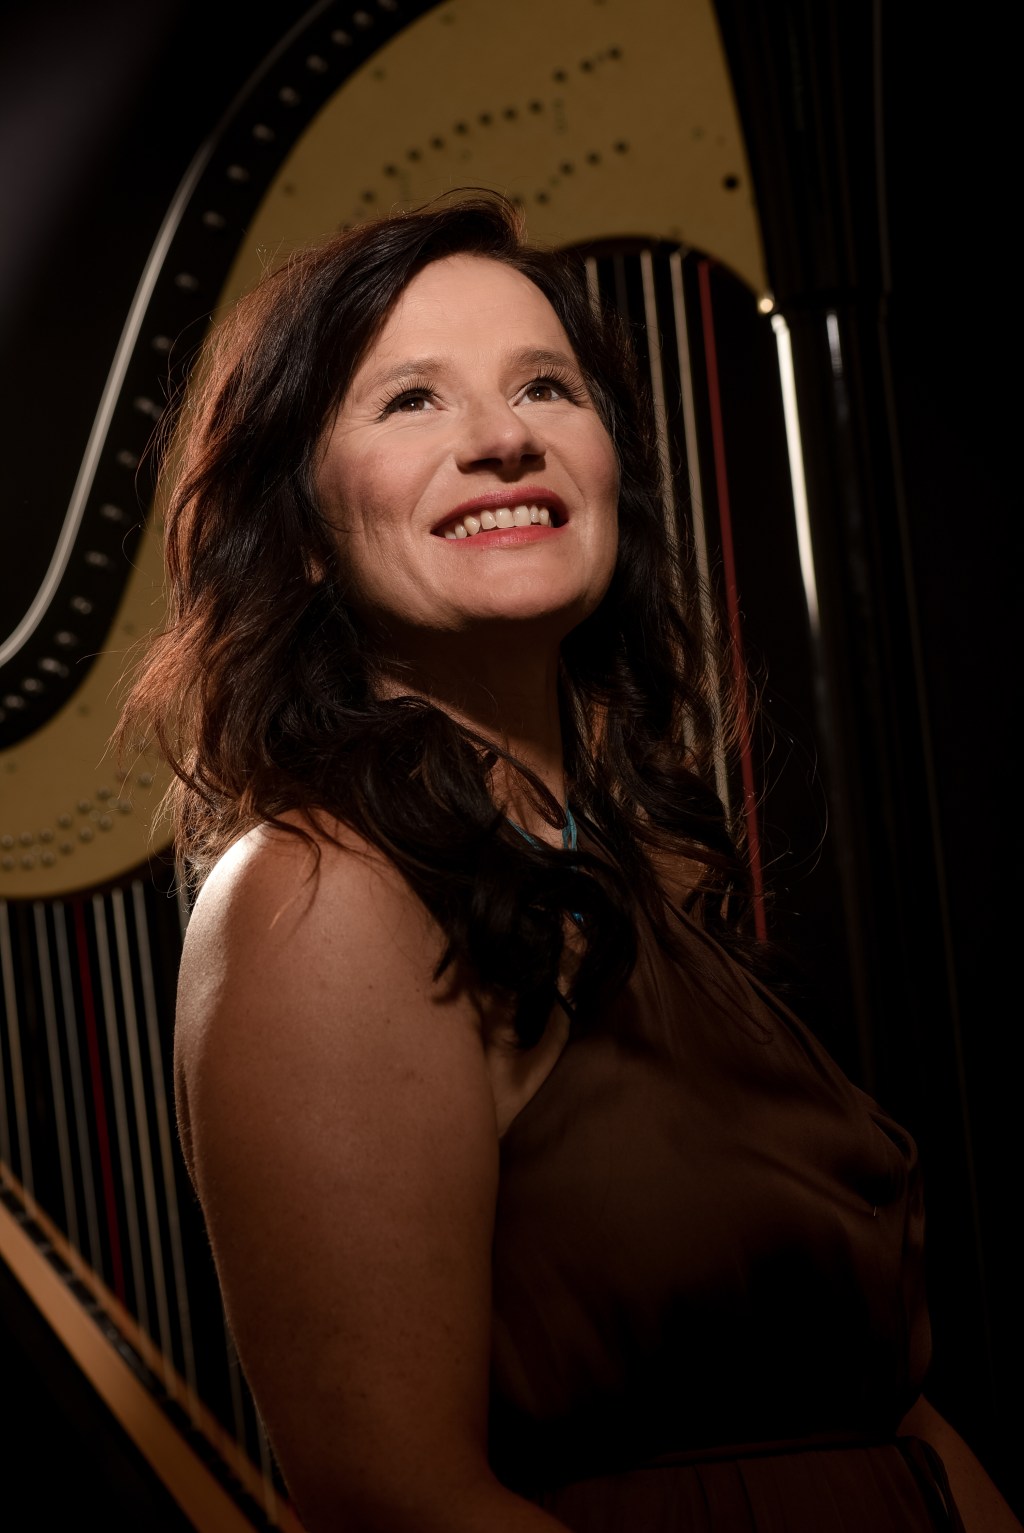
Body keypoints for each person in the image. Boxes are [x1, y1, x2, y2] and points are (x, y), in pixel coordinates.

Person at [119, 194, 1019, 1532]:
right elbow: (398, 1502)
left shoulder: (640, 871)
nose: (504, 437)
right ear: (299, 533)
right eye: (411, 400)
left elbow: (896, 1414)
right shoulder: (323, 899)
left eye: (546, 385)